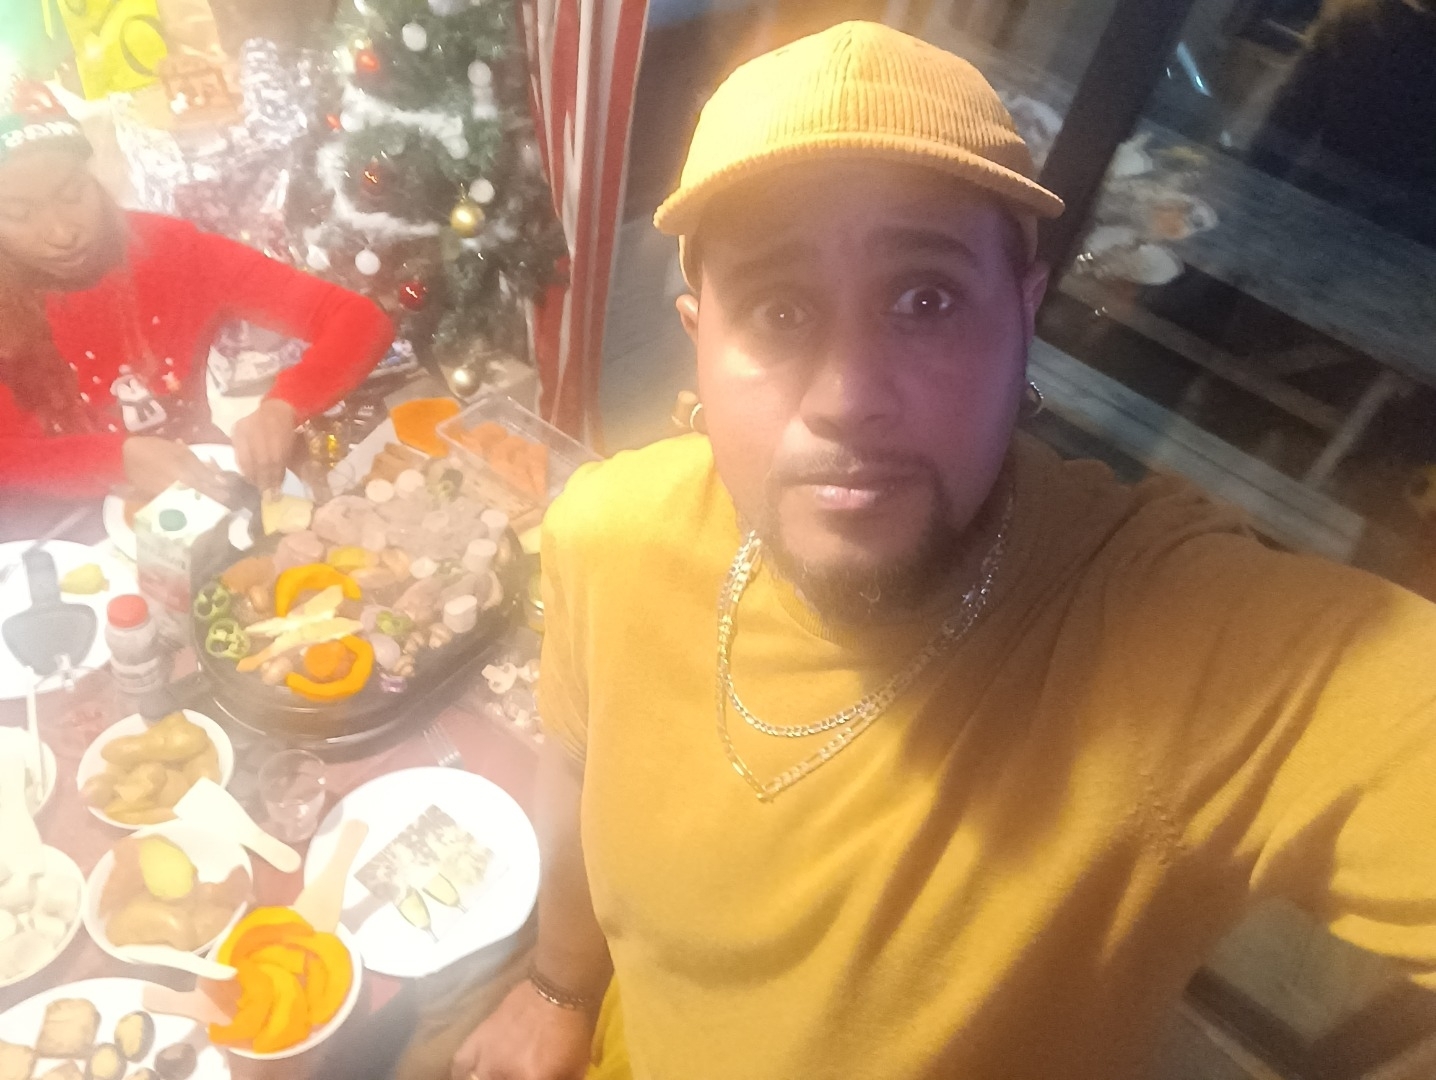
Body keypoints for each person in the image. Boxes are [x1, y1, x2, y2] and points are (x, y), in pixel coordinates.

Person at [443, 22, 1436, 1080]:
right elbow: (575, 765)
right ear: (699, 341)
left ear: (1024, 315)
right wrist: (558, 986)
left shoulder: (1172, 644)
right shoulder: (609, 536)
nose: (849, 398)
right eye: (777, 308)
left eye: (925, 299)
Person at [0, 75, 393, 500]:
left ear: (92, 179)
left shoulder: (173, 251)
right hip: (45, 521)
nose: (60, 232)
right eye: (18, 214)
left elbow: (360, 320)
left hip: (200, 485)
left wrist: (285, 405)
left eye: (72, 194)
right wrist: (111, 461)